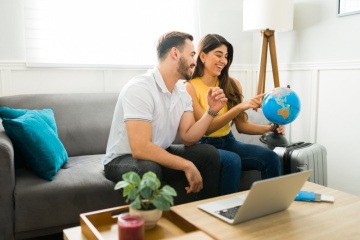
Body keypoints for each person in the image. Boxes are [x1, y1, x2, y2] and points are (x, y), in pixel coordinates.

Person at [102, 31, 228, 204]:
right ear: (175, 53)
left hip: (158, 152)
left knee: (208, 154)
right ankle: (162, 224)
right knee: (149, 169)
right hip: (123, 158)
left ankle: (204, 215)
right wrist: (186, 164)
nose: (194, 61)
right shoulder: (140, 88)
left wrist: (211, 112)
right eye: (192, 55)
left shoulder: (182, 91)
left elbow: (188, 137)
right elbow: (140, 148)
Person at [186, 34, 282, 195]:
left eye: (226, 56)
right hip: (204, 146)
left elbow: (242, 126)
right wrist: (238, 108)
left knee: (270, 157)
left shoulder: (232, 84)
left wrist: (270, 128)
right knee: (233, 161)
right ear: (202, 56)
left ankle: (271, 206)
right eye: (218, 55)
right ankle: (227, 211)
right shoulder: (190, 87)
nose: (223, 61)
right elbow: (206, 129)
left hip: (228, 141)